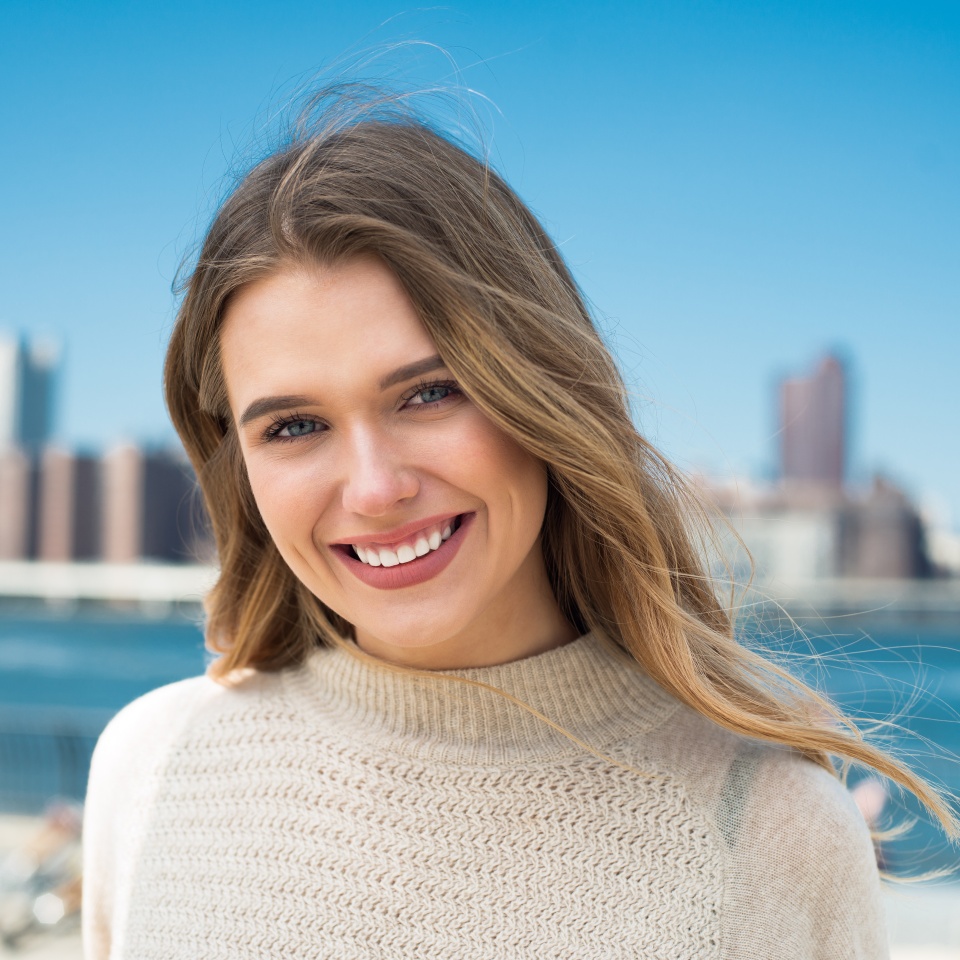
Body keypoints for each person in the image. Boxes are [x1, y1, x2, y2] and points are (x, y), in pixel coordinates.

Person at [82, 92, 954, 959]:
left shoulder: (768, 827)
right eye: (294, 426)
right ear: (236, 461)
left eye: (430, 392)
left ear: (542, 391)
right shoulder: (153, 767)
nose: (376, 488)